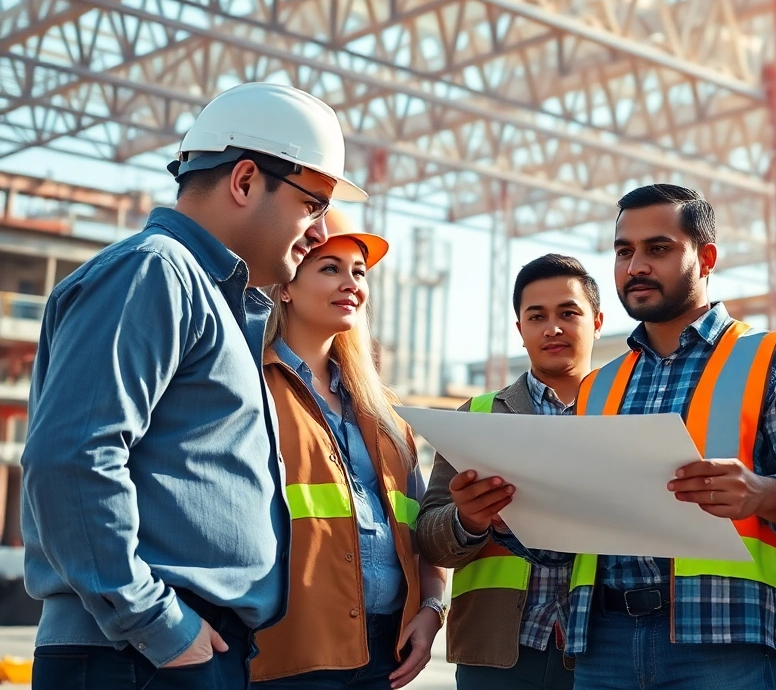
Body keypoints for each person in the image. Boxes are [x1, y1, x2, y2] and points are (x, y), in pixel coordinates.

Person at [21, 82, 366, 689]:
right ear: (244, 181)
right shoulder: (154, 273)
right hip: (136, 653)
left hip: (175, 648)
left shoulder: (214, 300)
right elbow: (74, 457)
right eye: (312, 204)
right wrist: (156, 622)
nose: (318, 232)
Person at [490, 184, 776, 690]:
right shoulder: (600, 387)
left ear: (705, 258)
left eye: (657, 249)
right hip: (602, 642)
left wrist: (762, 493)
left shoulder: (770, 359)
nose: (636, 265)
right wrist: (511, 517)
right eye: (623, 251)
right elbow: (571, 544)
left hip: (724, 640)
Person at [250, 209, 445, 689]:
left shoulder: (387, 415)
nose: (351, 282)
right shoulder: (251, 388)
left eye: (359, 272)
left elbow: (419, 524)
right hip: (287, 649)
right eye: (330, 268)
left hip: (383, 652)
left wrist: (432, 607)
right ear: (286, 287)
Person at [417, 254, 605, 690]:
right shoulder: (477, 417)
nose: (552, 328)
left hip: (601, 649)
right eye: (536, 316)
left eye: (568, 313)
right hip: (498, 653)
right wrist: (469, 519)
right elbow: (429, 538)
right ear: (520, 330)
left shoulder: (627, 413)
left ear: (597, 321)